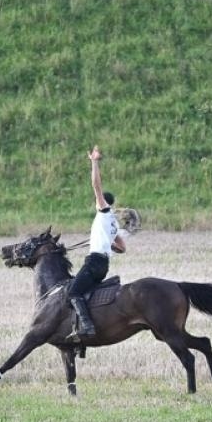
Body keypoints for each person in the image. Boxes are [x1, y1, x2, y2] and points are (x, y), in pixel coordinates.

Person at [67, 145, 126, 340]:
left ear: (103, 202)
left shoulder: (104, 210)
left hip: (93, 263)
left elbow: (96, 185)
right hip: (103, 265)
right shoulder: (114, 224)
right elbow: (122, 248)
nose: (97, 200)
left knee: (73, 292)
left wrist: (94, 161)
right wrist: (107, 244)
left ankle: (86, 326)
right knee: (85, 292)